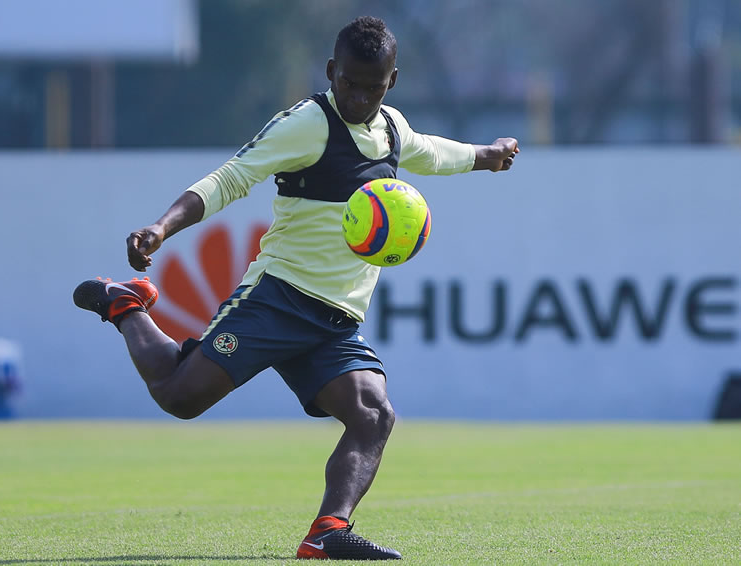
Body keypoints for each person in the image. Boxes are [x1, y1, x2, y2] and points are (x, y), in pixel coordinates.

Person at [74, 16, 518, 561]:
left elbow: (430, 151)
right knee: (179, 398)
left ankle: (327, 531)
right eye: (348, 82)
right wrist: (162, 227)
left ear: (391, 82)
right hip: (277, 298)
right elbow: (230, 178)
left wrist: (486, 155)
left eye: (371, 87)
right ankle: (125, 305)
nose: (357, 96)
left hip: (335, 322)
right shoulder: (306, 124)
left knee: (374, 414)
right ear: (332, 71)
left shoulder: (392, 130)